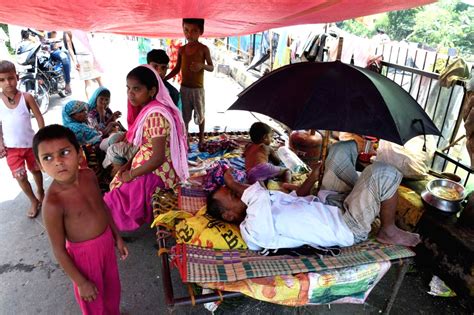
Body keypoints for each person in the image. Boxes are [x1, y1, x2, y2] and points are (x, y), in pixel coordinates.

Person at [207, 140, 421, 251]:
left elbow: (296, 198)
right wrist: (233, 183)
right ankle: (388, 229)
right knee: (384, 172)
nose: (239, 193)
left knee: (341, 149)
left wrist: (312, 178)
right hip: (345, 225)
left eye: (235, 192)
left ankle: (365, 192)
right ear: (229, 216)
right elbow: (258, 196)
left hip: (326, 201)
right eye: (234, 196)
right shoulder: (253, 232)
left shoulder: (260, 204)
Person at [32, 124, 128, 314]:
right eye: (48, 158)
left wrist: (117, 236)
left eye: (64, 152)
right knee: (93, 298)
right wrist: (81, 282)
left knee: (112, 289)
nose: (58, 161)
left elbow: (102, 207)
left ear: (79, 153)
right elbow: (59, 250)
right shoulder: (53, 204)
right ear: (39, 165)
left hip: (106, 244)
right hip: (84, 258)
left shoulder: (89, 175)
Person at [104, 65, 189, 231]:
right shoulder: (150, 109)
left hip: (158, 172)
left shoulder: (155, 115)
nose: (130, 93)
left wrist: (132, 174)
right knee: (117, 183)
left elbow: (158, 158)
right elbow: (146, 146)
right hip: (149, 164)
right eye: (128, 88)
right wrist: (128, 166)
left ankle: (112, 229)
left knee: (118, 197)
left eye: (137, 89)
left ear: (152, 91)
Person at [0, 60, 45, 218]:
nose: (7, 83)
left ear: (17, 77)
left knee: (36, 170)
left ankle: (40, 190)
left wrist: (42, 137)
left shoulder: (27, 97)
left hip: (30, 144)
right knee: (20, 176)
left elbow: (39, 117)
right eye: (2, 80)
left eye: (11, 78)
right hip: (11, 148)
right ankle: (33, 200)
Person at [165, 18, 214, 148]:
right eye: (186, 30)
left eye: (194, 31)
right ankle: (185, 139)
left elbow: (211, 67)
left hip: (198, 90)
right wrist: (164, 79)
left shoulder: (204, 49)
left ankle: (201, 138)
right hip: (184, 89)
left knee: (200, 115)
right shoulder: (181, 50)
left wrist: (201, 66)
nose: (189, 34)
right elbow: (176, 69)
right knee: (184, 117)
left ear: (201, 32)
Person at [64, 30, 103, 99]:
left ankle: (91, 105)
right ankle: (105, 103)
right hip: (90, 54)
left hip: (82, 57)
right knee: (99, 80)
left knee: (88, 84)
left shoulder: (68, 30)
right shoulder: (83, 24)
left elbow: (69, 47)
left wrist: (75, 61)